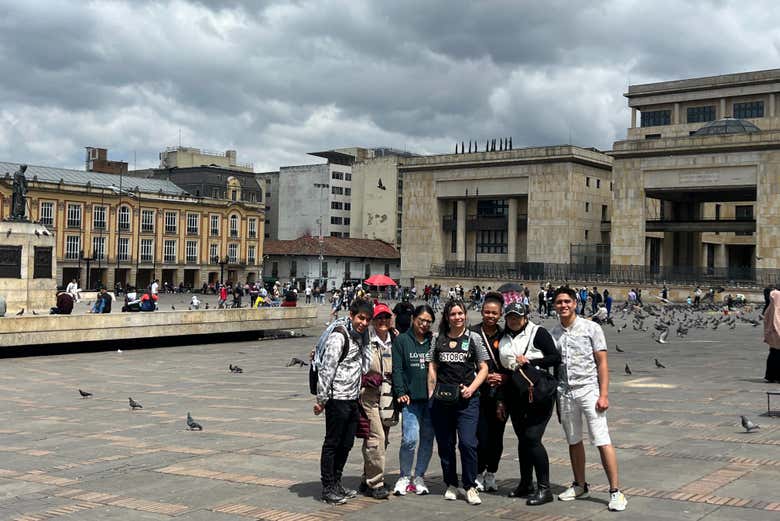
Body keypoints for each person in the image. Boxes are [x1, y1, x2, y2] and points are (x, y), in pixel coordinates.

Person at [550, 287, 627, 512]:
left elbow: (602, 363)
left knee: (601, 439)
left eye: (567, 301)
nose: (563, 305)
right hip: (565, 391)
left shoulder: (591, 328)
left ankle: (615, 491)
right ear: (554, 306)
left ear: (575, 303)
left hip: (588, 390)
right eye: (559, 302)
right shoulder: (553, 333)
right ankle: (580, 485)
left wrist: (604, 394)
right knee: (573, 440)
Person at [427, 299, 489, 505]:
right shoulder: (438, 338)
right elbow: (432, 365)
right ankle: (451, 483)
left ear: (465, 315)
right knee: (445, 445)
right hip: (442, 400)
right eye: (453, 314)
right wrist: (431, 392)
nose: (457, 317)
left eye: (460, 313)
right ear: (447, 317)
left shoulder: (474, 338)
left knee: (468, 443)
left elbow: (484, 368)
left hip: (467, 401)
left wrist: (472, 388)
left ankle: (470, 485)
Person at [498, 302, 560, 505]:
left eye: (517, 316)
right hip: (516, 393)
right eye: (510, 316)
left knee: (533, 438)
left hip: (538, 393)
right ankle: (526, 483)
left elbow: (555, 357)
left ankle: (545, 488)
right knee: (523, 439)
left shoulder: (537, 332)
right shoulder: (503, 336)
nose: (513, 320)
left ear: (525, 317)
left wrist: (531, 362)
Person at [314, 298, 374, 505]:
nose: (364, 323)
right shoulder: (339, 336)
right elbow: (327, 368)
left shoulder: (362, 337)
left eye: (367, 320)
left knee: (346, 443)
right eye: (360, 318)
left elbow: (365, 367)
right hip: (336, 398)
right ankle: (328, 487)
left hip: (353, 398)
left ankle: (337, 483)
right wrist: (321, 399)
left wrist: (367, 342)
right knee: (332, 443)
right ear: (351, 315)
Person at [392, 304, 436, 497]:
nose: (424, 324)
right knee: (410, 439)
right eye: (421, 320)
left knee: (427, 439)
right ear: (413, 319)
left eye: (428, 321)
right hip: (410, 400)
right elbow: (397, 368)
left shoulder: (433, 341)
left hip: (431, 400)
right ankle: (404, 475)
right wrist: (400, 391)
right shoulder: (402, 340)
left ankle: (419, 476)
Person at [471, 291, 509, 493]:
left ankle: (491, 472)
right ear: (482, 311)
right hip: (478, 393)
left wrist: (503, 377)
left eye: (494, 313)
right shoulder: (472, 333)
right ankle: (478, 472)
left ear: (501, 314)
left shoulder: (505, 336)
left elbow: (511, 364)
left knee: (496, 437)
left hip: (500, 396)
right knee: (479, 436)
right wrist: (482, 376)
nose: (490, 316)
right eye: (487, 312)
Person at [357, 303, 395, 499]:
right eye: (379, 317)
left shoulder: (394, 339)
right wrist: (365, 379)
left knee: (384, 439)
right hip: (369, 396)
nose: (383, 321)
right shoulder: (364, 340)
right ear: (372, 320)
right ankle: (375, 483)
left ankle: (367, 477)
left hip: (388, 396)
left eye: (386, 317)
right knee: (376, 438)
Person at [763, 288, 780, 383]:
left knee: (773, 353)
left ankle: (771, 376)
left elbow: (766, 320)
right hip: (777, 332)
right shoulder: (777, 309)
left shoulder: (770, 308)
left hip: (772, 334)